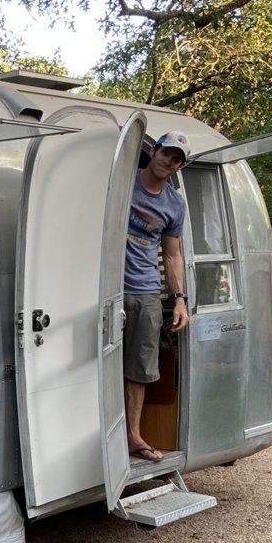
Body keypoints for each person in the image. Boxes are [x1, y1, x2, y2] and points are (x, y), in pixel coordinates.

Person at [124, 130, 191, 462]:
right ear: (154, 151)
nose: (170, 161)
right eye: (167, 153)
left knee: (139, 368)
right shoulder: (121, 181)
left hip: (145, 292)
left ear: (179, 167)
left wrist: (179, 299)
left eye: (177, 159)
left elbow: (172, 254)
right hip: (102, 289)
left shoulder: (174, 204)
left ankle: (133, 437)